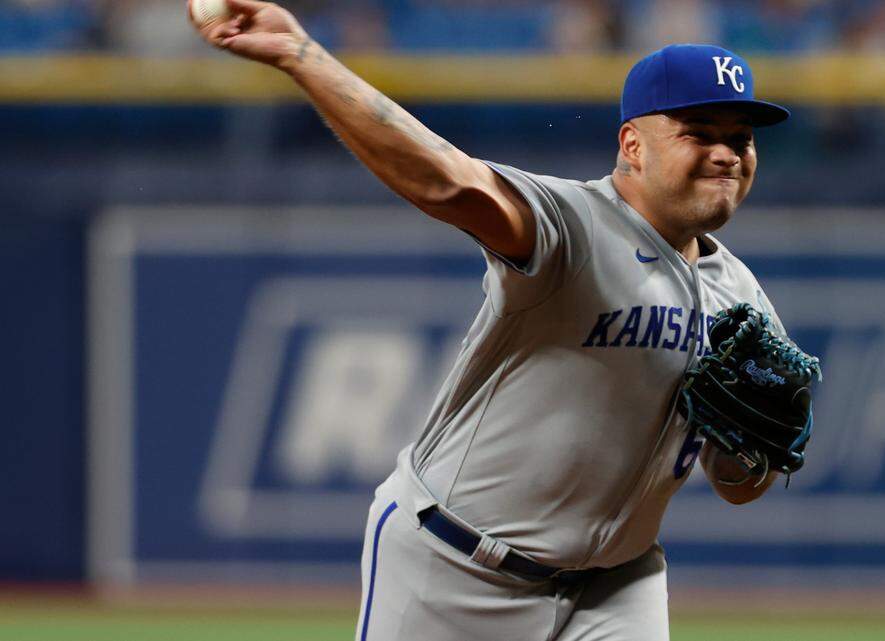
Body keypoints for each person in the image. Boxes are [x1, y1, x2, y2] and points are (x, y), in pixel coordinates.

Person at [192, 1, 795, 639]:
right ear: (632, 145)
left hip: (619, 586)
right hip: (455, 567)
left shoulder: (744, 300)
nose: (727, 153)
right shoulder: (575, 226)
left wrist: (746, 456)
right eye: (700, 132)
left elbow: (739, 486)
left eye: (741, 138)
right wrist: (300, 55)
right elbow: (447, 184)